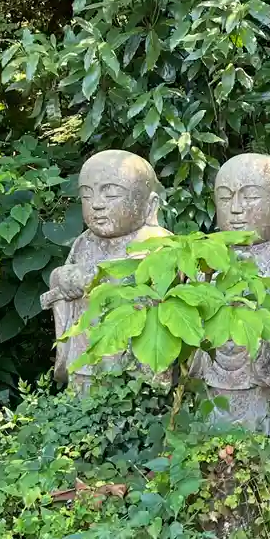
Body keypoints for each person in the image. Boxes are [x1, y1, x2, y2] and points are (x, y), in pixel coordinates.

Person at [192, 154, 270, 433]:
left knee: (260, 435)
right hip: (214, 376)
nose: (236, 209)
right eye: (225, 198)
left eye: (250, 197)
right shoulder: (208, 253)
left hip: (263, 381)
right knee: (209, 434)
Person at [41, 150, 172, 387]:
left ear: (150, 204)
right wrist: (61, 278)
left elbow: (159, 296)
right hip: (86, 356)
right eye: (87, 195)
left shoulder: (159, 243)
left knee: (133, 399)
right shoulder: (84, 242)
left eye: (110, 193)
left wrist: (97, 278)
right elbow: (63, 286)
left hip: (134, 365)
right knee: (82, 400)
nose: (97, 205)